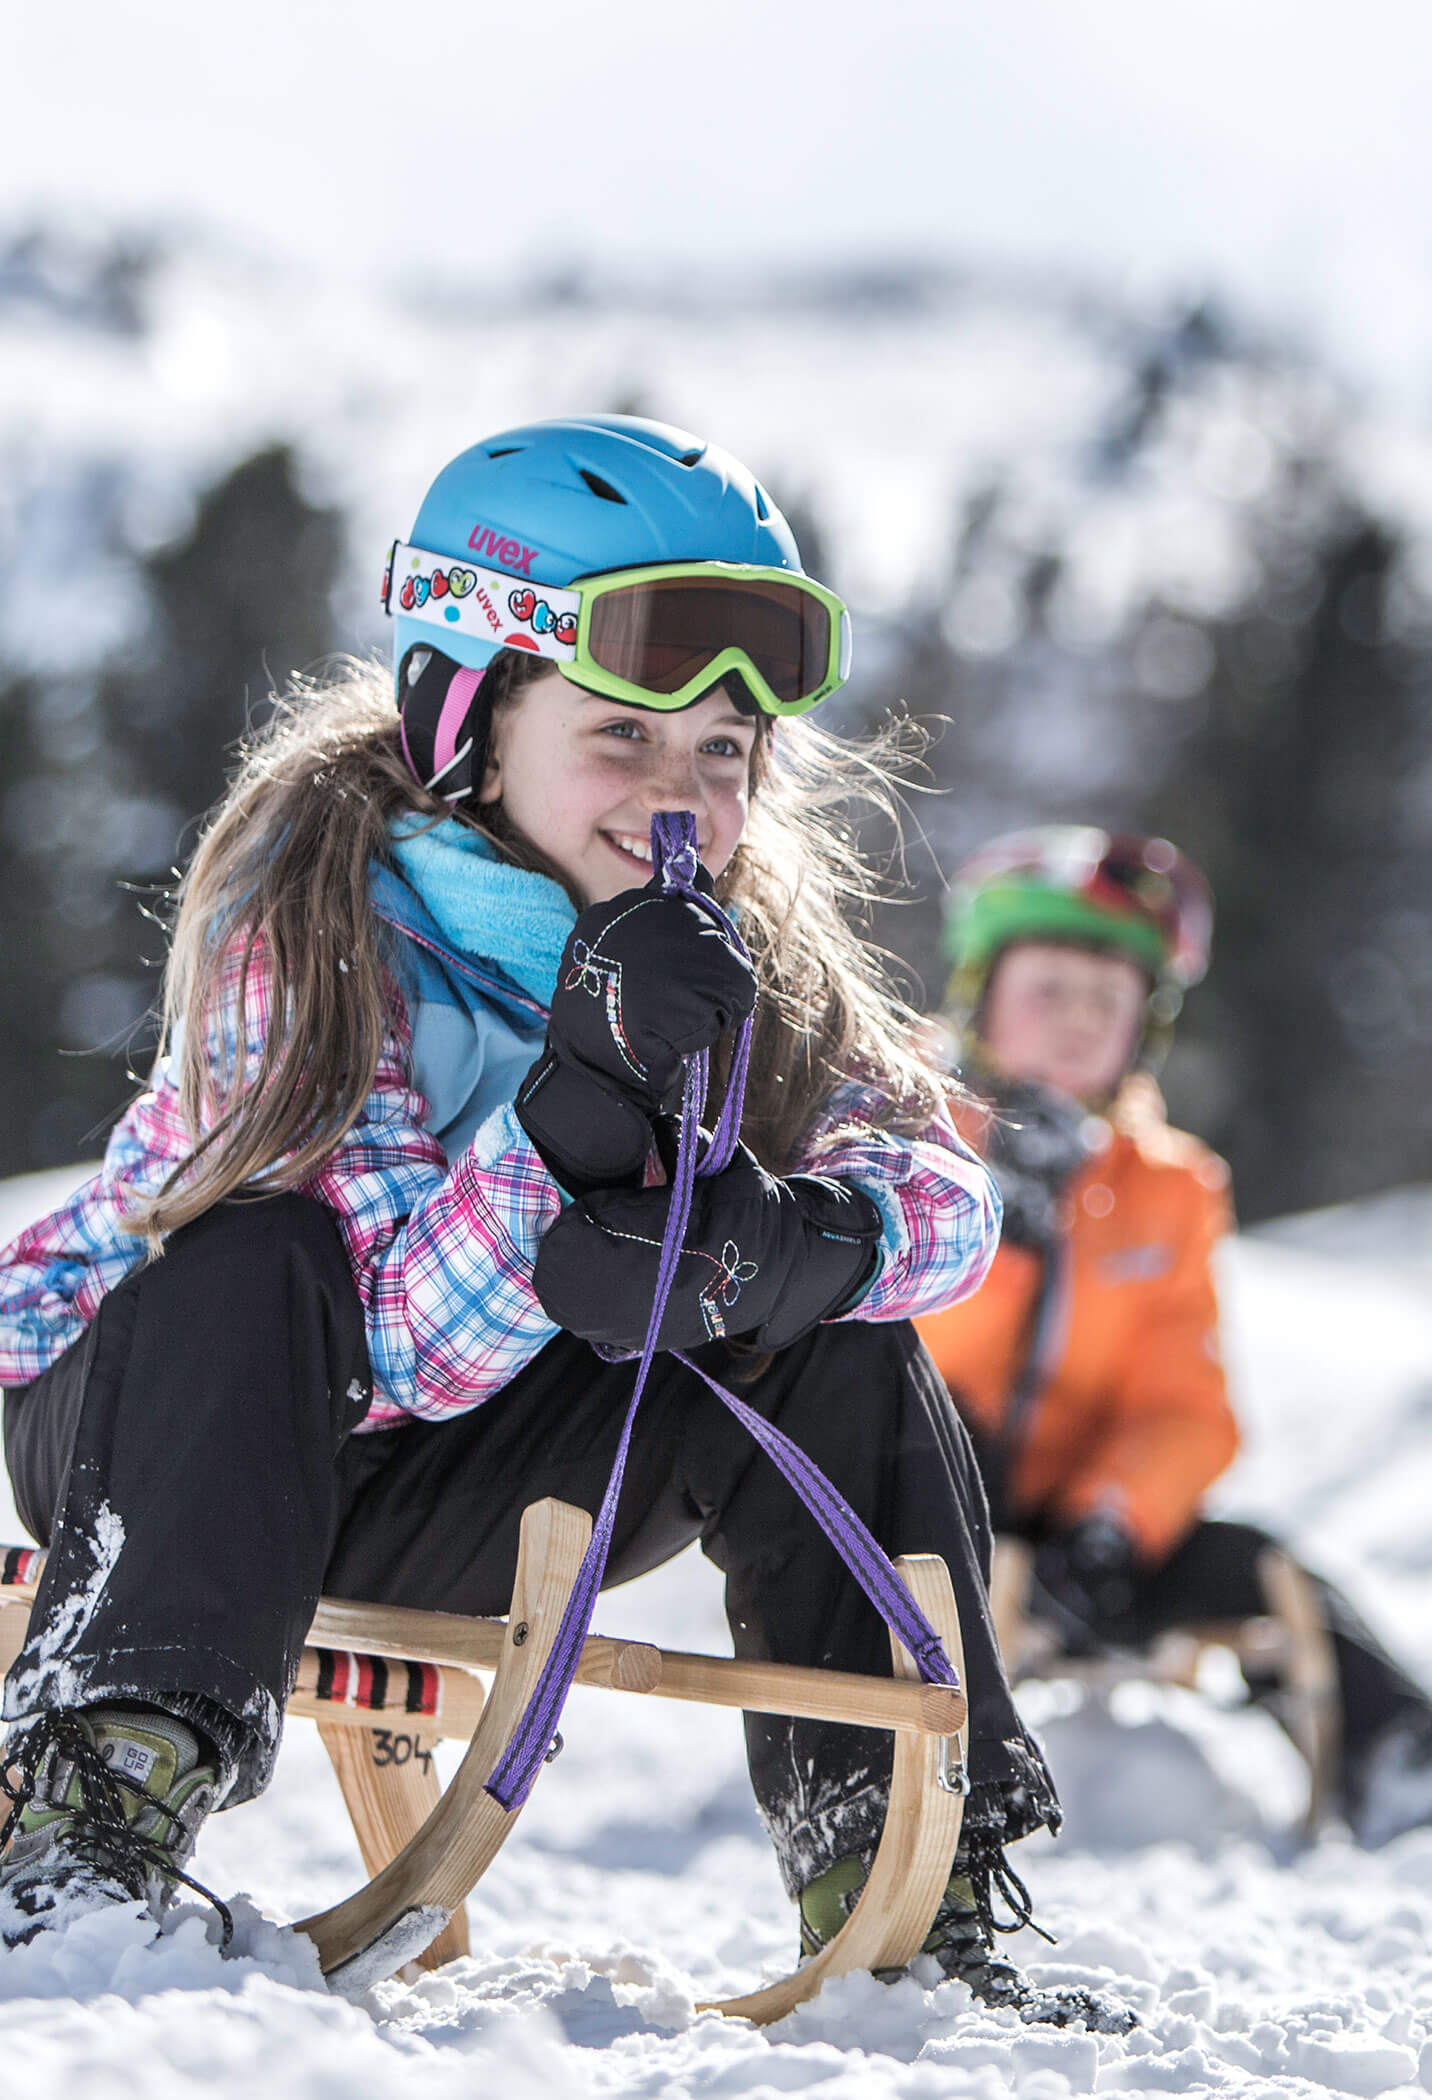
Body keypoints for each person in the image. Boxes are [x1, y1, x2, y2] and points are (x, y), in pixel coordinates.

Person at [0, 419, 1128, 2028]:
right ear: (465, 718)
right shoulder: (311, 911)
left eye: (723, 754)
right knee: (258, 1254)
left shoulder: (740, 951)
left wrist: (803, 1244)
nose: (679, 794)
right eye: (621, 738)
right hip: (167, 1433)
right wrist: (566, 1124)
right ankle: (99, 1802)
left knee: (841, 1347)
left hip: (472, 1485)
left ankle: (905, 1873)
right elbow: (375, 1344)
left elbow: (939, 1182)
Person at [914, 825, 1432, 1847]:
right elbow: (891, 1348)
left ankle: (1399, 1761)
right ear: (980, 993)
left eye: (1110, 999)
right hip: (910, 1503)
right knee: (917, 1419)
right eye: (1050, 990)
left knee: (1251, 1564)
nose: (1081, 1021)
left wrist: (1108, 1530)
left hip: (1074, 1537)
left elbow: (1186, 1403)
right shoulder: (899, 1133)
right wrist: (1000, 1216)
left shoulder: (1168, 1188)